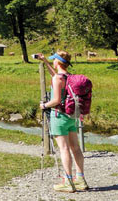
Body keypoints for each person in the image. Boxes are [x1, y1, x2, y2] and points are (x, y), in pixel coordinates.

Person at [37, 50, 88, 193]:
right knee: (75, 148)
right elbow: (55, 76)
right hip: (71, 116)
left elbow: (56, 100)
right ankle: (80, 179)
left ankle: (68, 182)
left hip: (59, 117)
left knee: (64, 149)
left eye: (53, 60)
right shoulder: (67, 76)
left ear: (58, 62)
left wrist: (44, 105)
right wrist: (45, 62)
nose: (53, 61)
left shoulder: (57, 79)